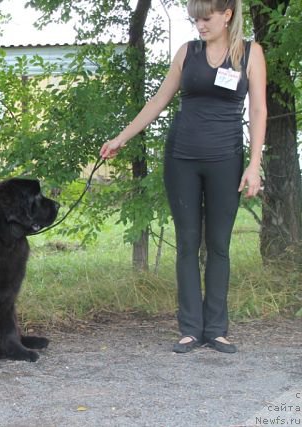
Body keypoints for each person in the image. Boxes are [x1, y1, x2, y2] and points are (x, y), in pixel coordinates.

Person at [100, 0, 266, 354]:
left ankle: (217, 329)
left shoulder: (251, 53)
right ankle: (190, 329)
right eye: (195, 20)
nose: (200, 26)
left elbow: (258, 109)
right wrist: (121, 138)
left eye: (206, 19)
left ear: (227, 15)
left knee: (219, 245)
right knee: (188, 243)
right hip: (182, 159)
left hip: (226, 160)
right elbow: (159, 100)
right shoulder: (187, 52)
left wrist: (254, 165)